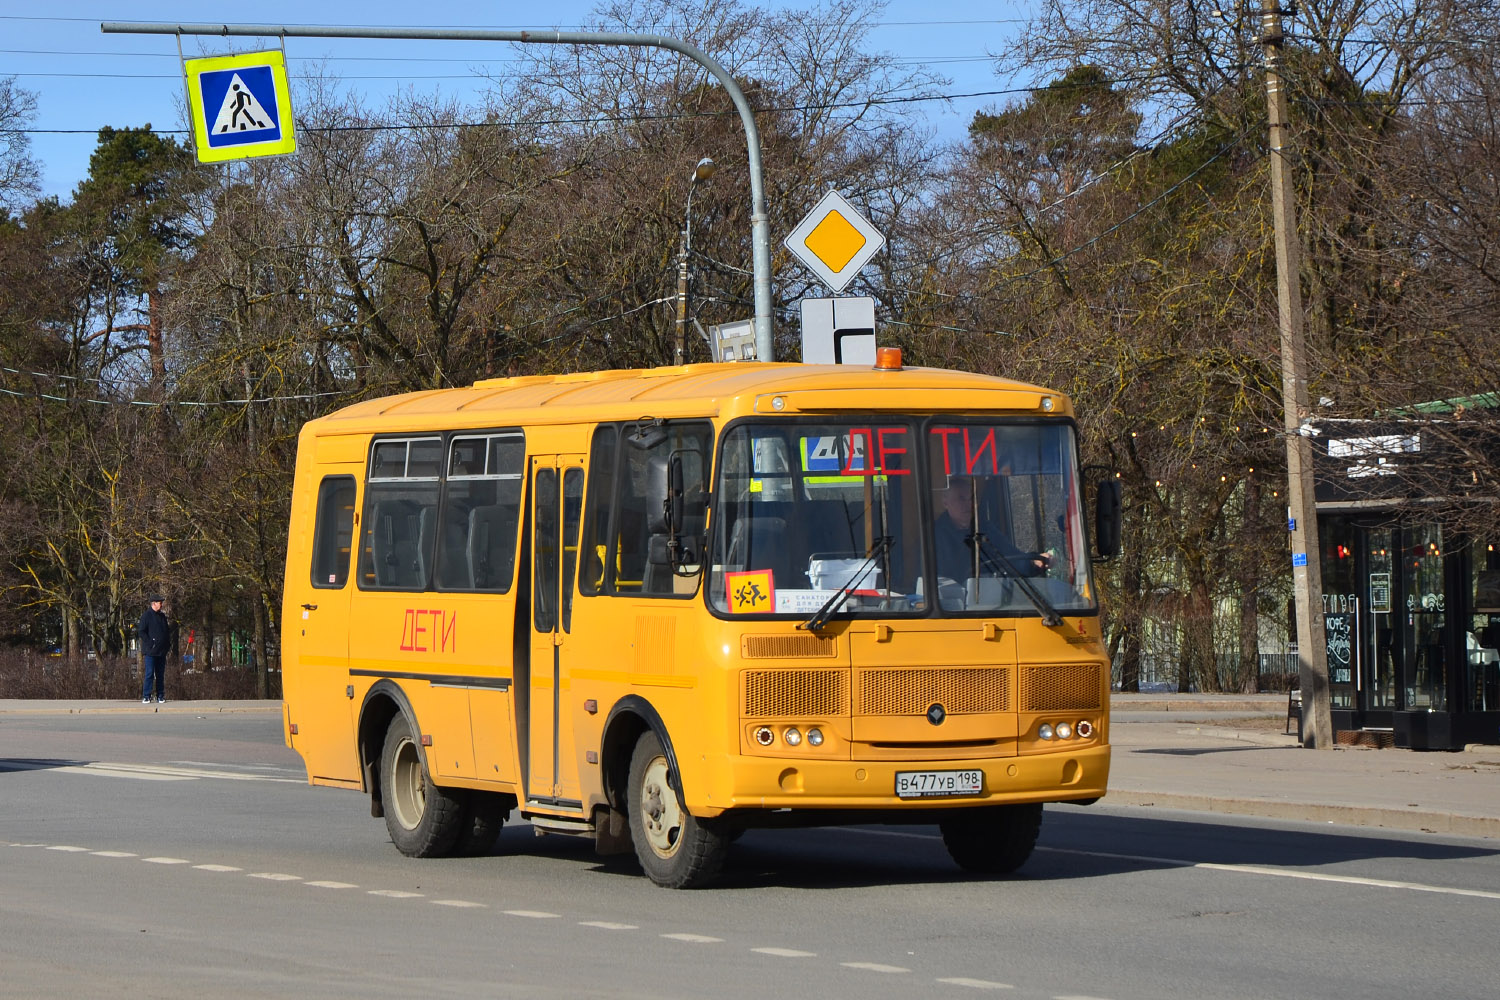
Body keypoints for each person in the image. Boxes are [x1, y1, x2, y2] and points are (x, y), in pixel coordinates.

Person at [930, 477, 1049, 583]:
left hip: (990, 599)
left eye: (971, 498)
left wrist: (1032, 563)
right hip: (955, 605)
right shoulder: (933, 538)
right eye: (961, 498)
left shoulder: (986, 529)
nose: (969, 504)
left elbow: (1011, 558)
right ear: (945, 502)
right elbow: (935, 582)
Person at [137, 595, 170, 705]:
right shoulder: (146, 616)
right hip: (150, 651)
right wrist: (150, 643)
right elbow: (141, 631)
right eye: (159, 602)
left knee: (160, 674)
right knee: (149, 674)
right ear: (153, 603)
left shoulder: (162, 616)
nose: (161, 604)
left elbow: (166, 631)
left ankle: (160, 695)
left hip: (161, 651)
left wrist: (167, 644)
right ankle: (146, 696)